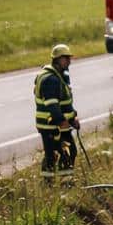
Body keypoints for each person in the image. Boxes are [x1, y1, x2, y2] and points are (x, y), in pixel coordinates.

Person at [33, 44, 79, 180]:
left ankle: (49, 182)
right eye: (66, 58)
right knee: (67, 151)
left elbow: (64, 103)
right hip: (53, 126)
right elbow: (53, 106)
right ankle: (64, 183)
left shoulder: (58, 76)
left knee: (53, 154)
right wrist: (63, 122)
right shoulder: (51, 80)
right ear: (58, 59)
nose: (69, 61)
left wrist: (72, 119)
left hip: (55, 124)